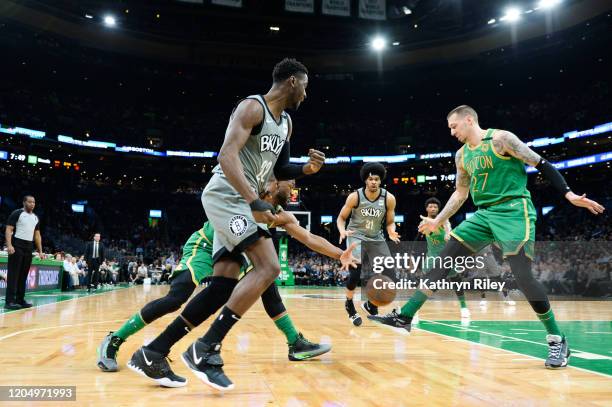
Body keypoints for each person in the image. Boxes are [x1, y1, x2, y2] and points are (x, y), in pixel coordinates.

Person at [124, 57, 325, 391]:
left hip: (241, 202)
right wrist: (253, 200)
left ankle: (153, 351)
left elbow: (282, 168)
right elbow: (226, 155)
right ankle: (206, 348)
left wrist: (306, 170)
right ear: (292, 81)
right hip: (225, 197)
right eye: (305, 86)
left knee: (222, 286)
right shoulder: (252, 107)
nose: (306, 94)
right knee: (269, 267)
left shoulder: (286, 123)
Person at [369, 105, 605, 369]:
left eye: (454, 126)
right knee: (444, 260)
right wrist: (438, 220)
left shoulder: (502, 139)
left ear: (469, 120)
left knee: (522, 276)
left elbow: (542, 163)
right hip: (484, 214)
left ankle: (556, 338)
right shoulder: (461, 155)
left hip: (514, 210)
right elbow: (460, 194)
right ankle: (405, 316)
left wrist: (569, 194)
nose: (451, 132)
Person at [118, 179, 356, 387]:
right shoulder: (247, 192)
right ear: (273, 182)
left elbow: (309, 237)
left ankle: (157, 351)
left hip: (239, 241)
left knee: (255, 282)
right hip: (205, 244)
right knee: (177, 298)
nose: (294, 187)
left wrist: (339, 254)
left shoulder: (281, 214)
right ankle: (120, 339)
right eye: (290, 181)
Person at [336, 162, 400, 326]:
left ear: (380, 181)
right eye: (370, 179)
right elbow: (341, 218)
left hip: (376, 237)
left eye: (376, 179)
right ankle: (349, 305)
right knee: (356, 274)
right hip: (356, 235)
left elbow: (390, 222)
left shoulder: (389, 198)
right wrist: (342, 230)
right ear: (365, 180)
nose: (373, 182)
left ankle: (371, 304)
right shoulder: (355, 196)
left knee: (391, 275)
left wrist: (391, 231)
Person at [419, 197, 470, 318]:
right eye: (430, 206)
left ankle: (464, 307)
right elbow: (427, 231)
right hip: (433, 257)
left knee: (457, 282)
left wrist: (448, 234)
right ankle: (414, 310)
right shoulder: (423, 223)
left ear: (438, 209)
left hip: (447, 256)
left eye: (435, 207)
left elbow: (448, 230)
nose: (433, 208)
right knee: (426, 285)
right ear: (427, 208)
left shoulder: (445, 220)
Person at [4, 195, 43, 310]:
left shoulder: (36, 217)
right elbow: (8, 229)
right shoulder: (17, 213)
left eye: (34, 202)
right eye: (30, 202)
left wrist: (40, 251)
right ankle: (9, 301)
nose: (32, 204)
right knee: (13, 275)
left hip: (29, 247)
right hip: (17, 245)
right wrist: (9, 245)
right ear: (24, 202)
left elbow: (37, 235)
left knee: (23, 275)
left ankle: (20, 300)